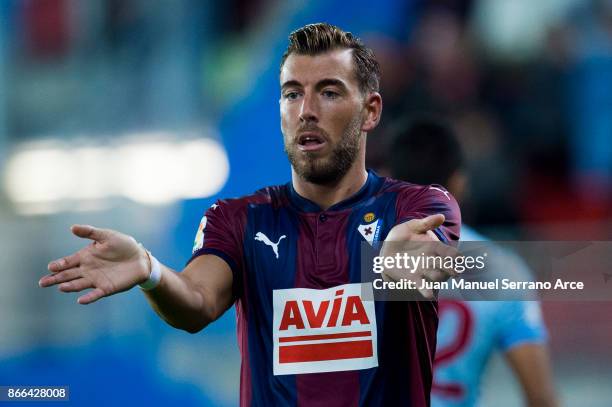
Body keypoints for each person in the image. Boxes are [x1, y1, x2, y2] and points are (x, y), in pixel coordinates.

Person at [40, 23, 460, 406]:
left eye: (328, 92)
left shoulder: (419, 206)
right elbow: (197, 302)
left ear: (370, 111)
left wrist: (402, 261)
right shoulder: (238, 219)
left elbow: (434, 258)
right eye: (293, 93)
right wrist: (150, 270)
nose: (306, 110)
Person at [388, 116, 558, 407]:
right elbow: (540, 398)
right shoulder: (503, 269)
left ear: (390, 181)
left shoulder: (354, 258)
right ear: (459, 182)